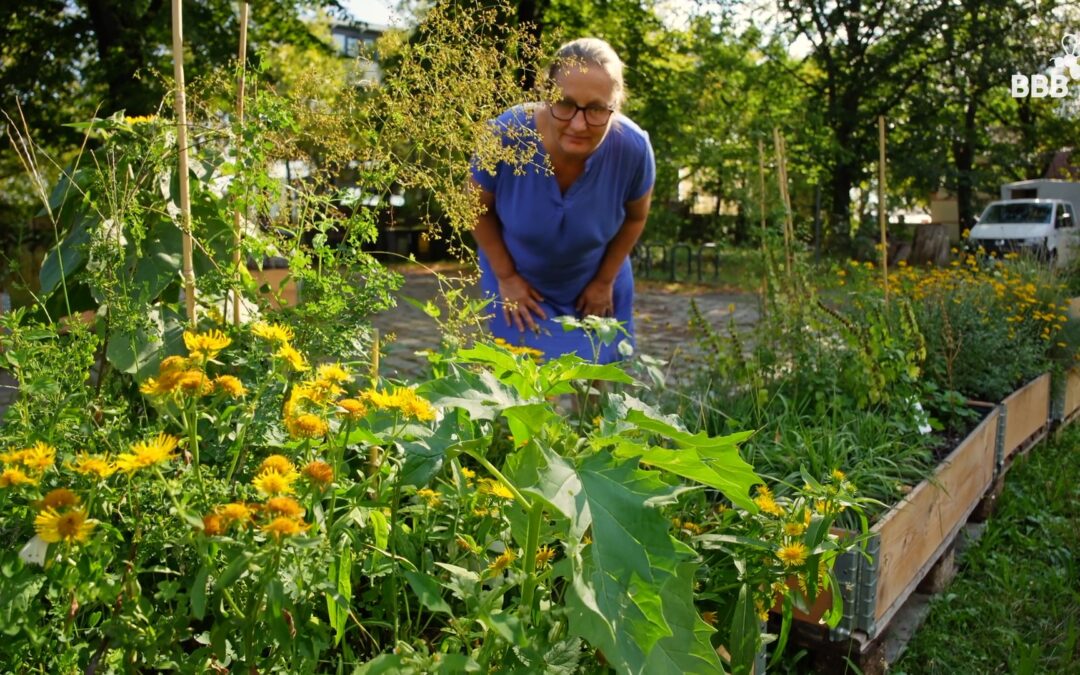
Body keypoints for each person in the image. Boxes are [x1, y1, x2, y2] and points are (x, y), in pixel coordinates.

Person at [470, 37, 655, 363]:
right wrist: (507, 277)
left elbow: (636, 217)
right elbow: (474, 206)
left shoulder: (633, 149)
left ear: (616, 105)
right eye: (565, 104)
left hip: (595, 284)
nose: (579, 124)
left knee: (595, 387)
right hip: (519, 285)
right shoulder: (506, 134)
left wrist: (603, 281)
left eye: (597, 108)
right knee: (526, 394)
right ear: (544, 96)